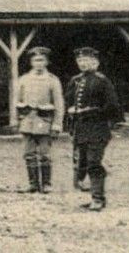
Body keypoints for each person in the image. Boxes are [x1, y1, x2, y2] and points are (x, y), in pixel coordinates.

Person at [66, 45, 120, 211]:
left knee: (93, 162)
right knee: (82, 164)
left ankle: (98, 199)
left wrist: (93, 111)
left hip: (98, 129)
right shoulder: (75, 81)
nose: (83, 63)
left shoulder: (102, 81)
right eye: (80, 60)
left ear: (96, 63)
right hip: (80, 129)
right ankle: (93, 196)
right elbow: (69, 102)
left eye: (87, 60)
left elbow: (113, 107)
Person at [14, 46, 65, 193]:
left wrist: (57, 124)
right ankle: (33, 184)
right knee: (29, 154)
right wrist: (18, 119)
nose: (38, 63)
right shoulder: (23, 79)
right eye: (35, 60)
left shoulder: (52, 80)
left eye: (41, 60)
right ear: (31, 62)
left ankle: (47, 183)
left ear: (47, 62)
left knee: (44, 154)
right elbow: (17, 100)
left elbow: (59, 104)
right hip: (27, 121)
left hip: (45, 120)